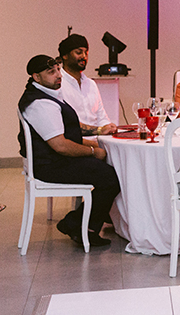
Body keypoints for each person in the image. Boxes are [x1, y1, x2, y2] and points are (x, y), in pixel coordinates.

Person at [18, 54, 120, 247]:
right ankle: (82, 226)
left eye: (58, 70)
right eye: (51, 72)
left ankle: (91, 217)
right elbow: (61, 146)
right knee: (110, 178)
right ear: (36, 77)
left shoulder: (45, 94)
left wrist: (98, 134)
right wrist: (93, 152)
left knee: (107, 170)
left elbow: (68, 130)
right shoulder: (40, 104)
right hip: (50, 166)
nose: (58, 75)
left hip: (52, 160)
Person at [57, 34, 117, 135]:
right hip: (74, 141)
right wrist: (99, 130)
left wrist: (109, 127)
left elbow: (101, 118)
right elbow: (65, 124)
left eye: (86, 53)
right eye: (79, 52)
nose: (84, 57)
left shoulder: (91, 84)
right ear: (65, 55)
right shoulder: (57, 84)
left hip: (98, 139)